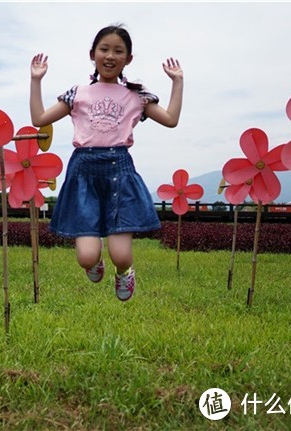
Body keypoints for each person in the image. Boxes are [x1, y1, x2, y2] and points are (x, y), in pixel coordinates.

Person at [29, 24, 184, 301]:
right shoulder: (77, 93)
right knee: (86, 257)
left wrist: (177, 82)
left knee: (121, 255)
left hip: (119, 172)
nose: (110, 56)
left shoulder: (136, 96)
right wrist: (36, 80)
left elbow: (171, 119)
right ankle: (96, 262)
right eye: (104, 49)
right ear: (93, 54)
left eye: (118, 51)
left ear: (128, 59)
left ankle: (124, 273)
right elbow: (39, 119)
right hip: (83, 173)